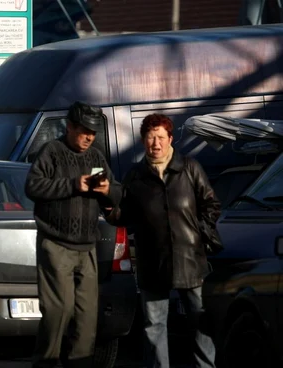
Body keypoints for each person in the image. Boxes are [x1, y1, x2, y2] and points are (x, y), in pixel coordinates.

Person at [106, 114, 220, 368]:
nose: (155, 143)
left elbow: (211, 204)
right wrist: (106, 203)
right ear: (142, 140)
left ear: (170, 139)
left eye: (160, 137)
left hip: (191, 260)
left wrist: (198, 233)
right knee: (154, 327)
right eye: (150, 137)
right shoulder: (135, 175)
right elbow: (122, 215)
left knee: (200, 322)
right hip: (152, 261)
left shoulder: (189, 168)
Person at [25, 101, 121, 368]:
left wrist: (107, 192)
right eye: (84, 131)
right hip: (55, 244)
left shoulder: (96, 157)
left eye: (93, 132)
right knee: (58, 311)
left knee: (87, 316)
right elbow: (33, 186)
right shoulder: (52, 152)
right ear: (70, 127)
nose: (89, 137)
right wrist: (72, 184)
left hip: (87, 247)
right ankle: (45, 363)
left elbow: (114, 192)